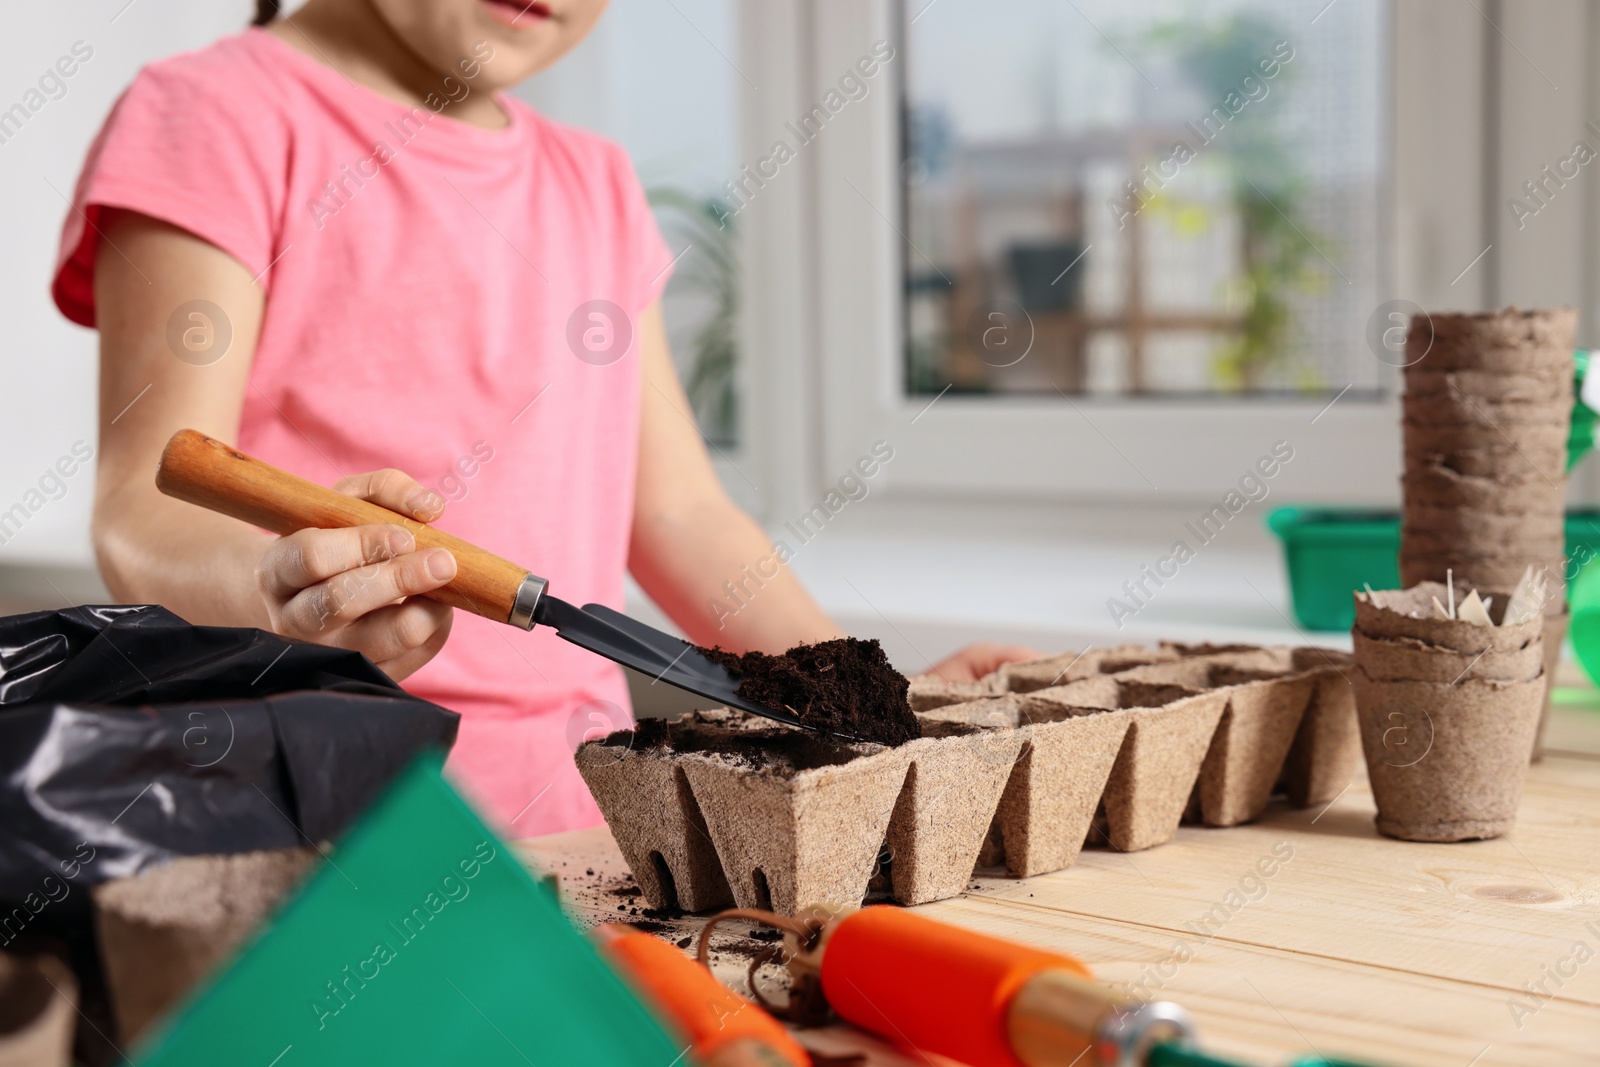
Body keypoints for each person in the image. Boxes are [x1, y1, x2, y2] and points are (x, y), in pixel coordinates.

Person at [55, 0, 1039, 834]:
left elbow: (683, 515)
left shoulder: (594, 184)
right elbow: (144, 509)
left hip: (587, 822)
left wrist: (873, 706)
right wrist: (274, 595)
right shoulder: (214, 116)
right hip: (312, 822)